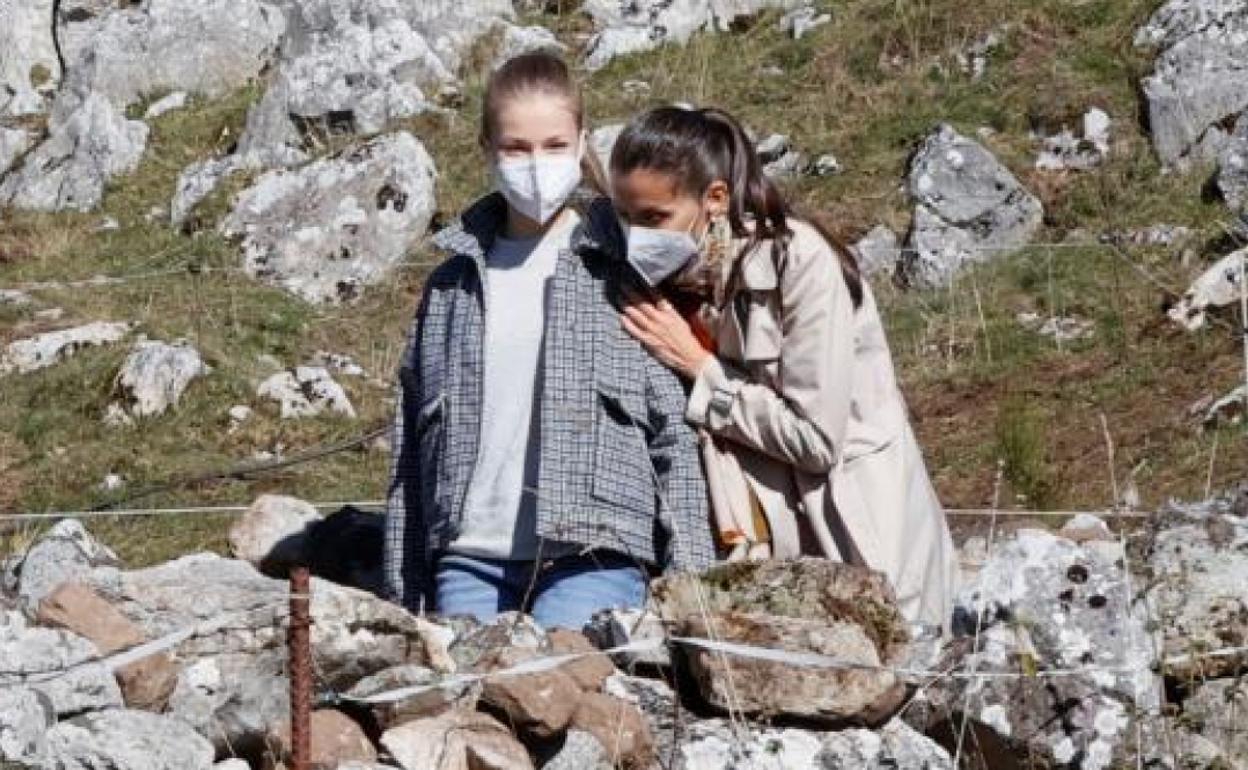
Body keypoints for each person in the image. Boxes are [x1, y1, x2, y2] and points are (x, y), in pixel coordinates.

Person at [382, 54, 714, 630]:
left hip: (596, 550)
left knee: (564, 677)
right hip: (470, 555)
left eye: (554, 145)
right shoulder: (449, 289)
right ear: (487, 148)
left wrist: (693, 590)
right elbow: (411, 449)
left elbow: (673, 436)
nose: (536, 164)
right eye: (517, 148)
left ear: (582, 142)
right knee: (471, 686)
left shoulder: (625, 266)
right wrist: (401, 594)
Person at [609, 105, 957, 631]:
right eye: (626, 218)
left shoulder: (801, 263)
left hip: (861, 542)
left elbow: (815, 439)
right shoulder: (681, 277)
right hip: (776, 553)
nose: (638, 238)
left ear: (715, 199)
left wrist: (701, 369)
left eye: (655, 218)